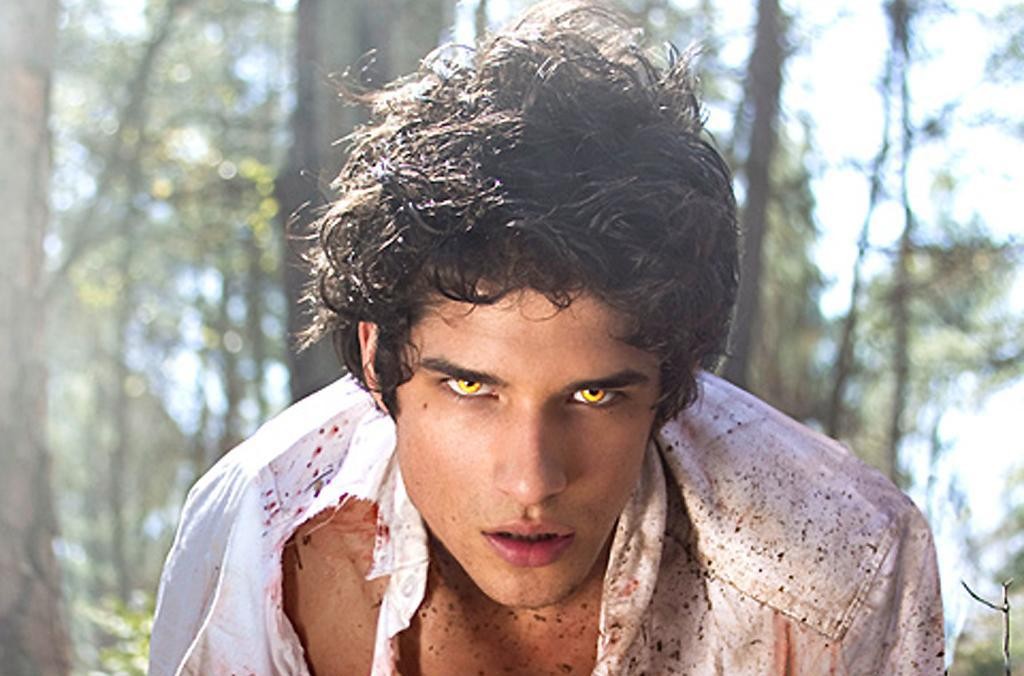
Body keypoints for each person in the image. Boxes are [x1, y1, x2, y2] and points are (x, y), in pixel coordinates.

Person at [148, 2, 945, 674]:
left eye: (594, 395)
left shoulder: (838, 564)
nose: (533, 480)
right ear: (377, 360)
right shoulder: (258, 528)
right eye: (471, 387)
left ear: (671, 384)